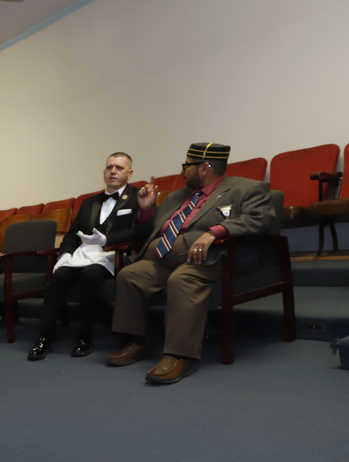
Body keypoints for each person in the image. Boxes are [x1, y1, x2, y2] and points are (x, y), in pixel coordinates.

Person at [107, 142, 275, 383]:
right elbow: (151, 231)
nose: (182, 171)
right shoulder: (177, 196)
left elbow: (260, 220)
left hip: (215, 257)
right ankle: (137, 342)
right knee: (129, 275)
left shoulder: (247, 188)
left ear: (205, 167)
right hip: (164, 258)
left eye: (187, 166)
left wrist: (216, 231)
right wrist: (146, 211)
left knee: (183, 278)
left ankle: (178, 356)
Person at [29, 153, 148, 360]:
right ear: (104, 171)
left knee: (91, 275)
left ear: (129, 173)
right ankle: (44, 336)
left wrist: (108, 239)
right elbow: (73, 233)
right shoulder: (88, 202)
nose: (113, 171)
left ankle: (85, 335)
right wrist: (64, 254)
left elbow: (140, 231)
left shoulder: (138, 197)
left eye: (119, 168)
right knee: (59, 276)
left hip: (113, 254)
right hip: (83, 254)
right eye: (110, 167)